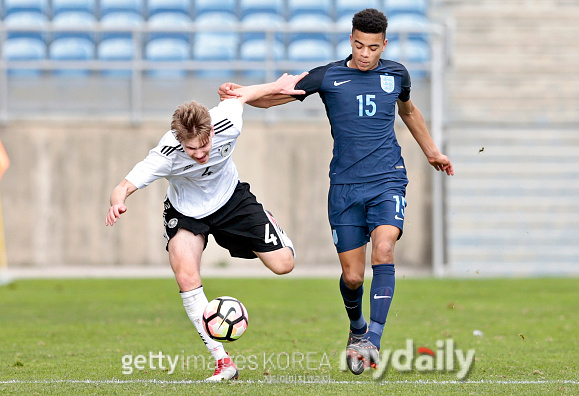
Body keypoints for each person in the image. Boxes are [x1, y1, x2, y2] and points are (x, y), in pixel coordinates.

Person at [218, 8, 454, 375]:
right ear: (351, 41)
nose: (365, 53)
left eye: (373, 48)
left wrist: (432, 152)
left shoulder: (397, 75)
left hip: (387, 180)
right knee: (353, 277)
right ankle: (357, 327)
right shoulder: (329, 76)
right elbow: (273, 98)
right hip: (344, 188)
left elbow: (409, 112)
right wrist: (240, 96)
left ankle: (372, 339)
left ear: (384, 45)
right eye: (359, 45)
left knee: (385, 247)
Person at [105, 72, 306, 381]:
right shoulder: (165, 155)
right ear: (179, 141)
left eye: (204, 145)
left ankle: (270, 224)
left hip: (231, 200)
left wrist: (277, 87)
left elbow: (240, 97)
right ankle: (223, 362)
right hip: (187, 213)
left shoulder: (228, 121)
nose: (200, 154)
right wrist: (117, 203)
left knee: (284, 264)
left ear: (212, 130)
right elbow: (123, 186)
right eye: (191, 150)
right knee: (185, 274)